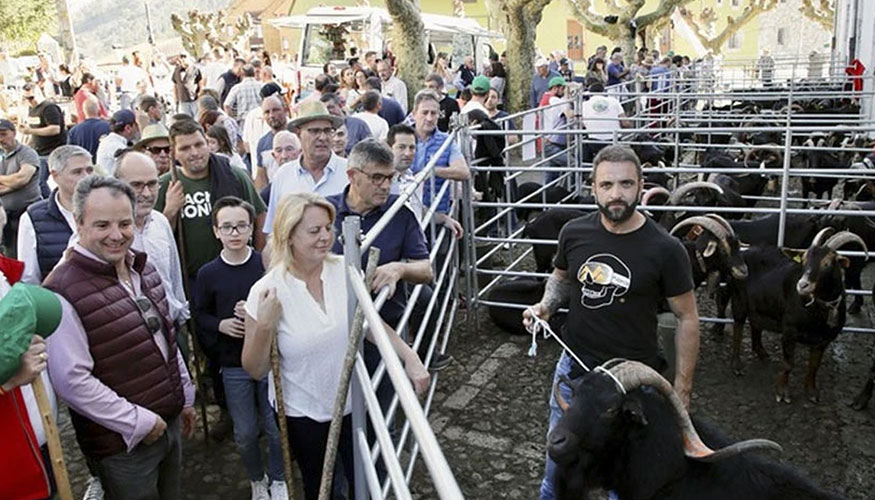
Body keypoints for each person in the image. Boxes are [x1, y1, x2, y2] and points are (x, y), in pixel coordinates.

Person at [522, 145, 700, 500]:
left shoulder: (666, 249)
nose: (616, 194)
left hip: (632, 390)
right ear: (593, 188)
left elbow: (687, 317)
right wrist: (545, 306)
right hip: (575, 373)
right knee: (557, 474)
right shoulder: (574, 232)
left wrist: (681, 390)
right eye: (606, 185)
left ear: (640, 185)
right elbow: (561, 278)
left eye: (625, 184)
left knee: (627, 485)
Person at [241, 192, 430, 500]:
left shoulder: (346, 269)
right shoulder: (266, 290)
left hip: (353, 403)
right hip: (302, 414)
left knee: (362, 479)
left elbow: (367, 325)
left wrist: (410, 357)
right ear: (288, 235)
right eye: (314, 231)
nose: (325, 237)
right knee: (321, 488)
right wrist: (264, 324)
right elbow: (255, 368)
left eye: (328, 228)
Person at [45, 175, 197, 500]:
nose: (116, 235)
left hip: (167, 423)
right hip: (124, 446)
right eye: (102, 225)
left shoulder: (143, 266)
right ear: (79, 222)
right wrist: (138, 422)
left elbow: (167, 338)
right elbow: (71, 381)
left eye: (124, 223)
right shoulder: (62, 290)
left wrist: (184, 395)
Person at [193, 196, 287, 500]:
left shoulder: (265, 265)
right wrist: (219, 324)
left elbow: (283, 303)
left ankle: (278, 477)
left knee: (275, 429)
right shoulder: (209, 273)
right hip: (233, 364)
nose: (235, 233)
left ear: (252, 229)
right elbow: (199, 314)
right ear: (216, 231)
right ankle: (256, 478)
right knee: (245, 433)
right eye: (227, 227)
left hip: (269, 358)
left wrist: (258, 310)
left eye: (241, 226)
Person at [113, 151, 190, 350]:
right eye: (137, 185)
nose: (147, 193)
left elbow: (174, 277)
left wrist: (181, 320)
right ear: (117, 185)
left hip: (170, 330)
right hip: (131, 342)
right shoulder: (105, 234)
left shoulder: (160, 222)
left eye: (153, 184)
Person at [264, 101, 348, 234]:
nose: (322, 137)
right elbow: (273, 230)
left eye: (327, 131)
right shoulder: (284, 175)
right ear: (299, 134)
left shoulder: (349, 172)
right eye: (314, 131)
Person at [18, 145, 94, 284]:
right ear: (55, 176)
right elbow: (29, 277)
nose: (86, 177)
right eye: (77, 172)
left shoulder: (106, 209)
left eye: (89, 170)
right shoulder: (33, 217)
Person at [410, 90, 470, 216]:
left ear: (439, 115)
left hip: (436, 212)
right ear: (414, 114)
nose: (429, 118)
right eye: (424, 113)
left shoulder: (446, 141)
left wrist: (433, 171)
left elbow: (463, 172)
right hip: (408, 212)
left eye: (434, 113)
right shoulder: (401, 137)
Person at [0, 119, 41, 256]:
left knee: (30, 254)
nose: (1, 139)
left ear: (14, 133)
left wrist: (12, 182)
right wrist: (13, 183)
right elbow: (18, 181)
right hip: (7, 217)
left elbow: (22, 179)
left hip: (28, 212)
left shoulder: (27, 154)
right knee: (11, 256)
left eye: (3, 134)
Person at [580, 83, 628, 163]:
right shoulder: (614, 101)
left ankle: (587, 170)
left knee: (584, 145)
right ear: (604, 92)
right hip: (613, 140)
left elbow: (581, 124)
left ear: (590, 93)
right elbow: (625, 123)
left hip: (594, 142)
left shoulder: (584, 105)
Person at [252, 95, 291, 190]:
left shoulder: (298, 135)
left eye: (275, 110)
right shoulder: (263, 143)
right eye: (267, 112)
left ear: (285, 110)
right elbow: (261, 178)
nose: (271, 115)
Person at [21, 83, 67, 158]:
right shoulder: (31, 108)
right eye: (25, 98)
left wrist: (30, 131)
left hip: (52, 151)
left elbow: (55, 129)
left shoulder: (49, 108)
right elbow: (35, 129)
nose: (29, 101)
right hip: (39, 150)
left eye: (31, 98)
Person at [96, 110, 140, 176]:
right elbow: (138, 165)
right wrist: (144, 128)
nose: (138, 129)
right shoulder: (114, 144)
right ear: (128, 128)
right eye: (137, 125)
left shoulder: (111, 142)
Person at [68, 96, 111, 161]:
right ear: (99, 111)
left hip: (84, 165)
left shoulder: (73, 131)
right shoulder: (108, 127)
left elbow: (70, 153)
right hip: (103, 164)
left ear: (84, 111)